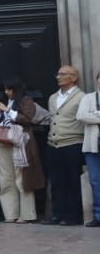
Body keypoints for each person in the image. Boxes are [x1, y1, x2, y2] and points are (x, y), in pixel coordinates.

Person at [0, 79, 44, 224]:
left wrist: (7, 110)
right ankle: (10, 213)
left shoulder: (26, 101)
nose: (6, 92)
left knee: (22, 178)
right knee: (5, 178)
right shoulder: (7, 102)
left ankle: (27, 215)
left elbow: (28, 118)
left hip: (20, 142)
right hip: (2, 141)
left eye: (9, 89)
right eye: (5, 89)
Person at [45, 64, 86, 226]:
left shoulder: (81, 97)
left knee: (72, 181)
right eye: (58, 73)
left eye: (62, 74)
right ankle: (57, 213)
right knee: (56, 182)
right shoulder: (53, 98)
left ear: (73, 78)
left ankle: (73, 216)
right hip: (53, 144)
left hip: (72, 143)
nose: (58, 77)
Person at [76, 72, 100, 228]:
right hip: (93, 146)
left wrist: (95, 114)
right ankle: (98, 215)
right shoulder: (88, 98)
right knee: (96, 181)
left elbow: (88, 116)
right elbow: (81, 115)